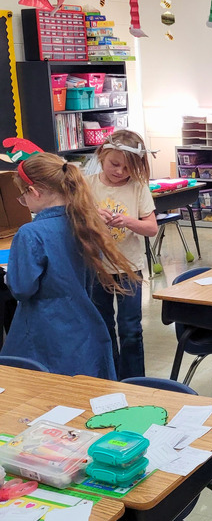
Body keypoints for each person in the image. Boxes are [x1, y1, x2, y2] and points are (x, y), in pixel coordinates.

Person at [1, 151, 138, 378]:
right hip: (85, 326)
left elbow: (22, 289)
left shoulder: (30, 233)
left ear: (34, 192)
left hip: (45, 331)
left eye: (23, 196)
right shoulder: (87, 225)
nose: (24, 202)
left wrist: (9, 276)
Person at [86, 130, 157, 379]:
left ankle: (134, 381)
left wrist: (128, 221)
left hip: (130, 269)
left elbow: (151, 228)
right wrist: (92, 216)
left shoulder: (137, 188)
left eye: (127, 169)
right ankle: (110, 378)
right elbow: (74, 223)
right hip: (96, 268)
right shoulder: (88, 185)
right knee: (103, 328)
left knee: (130, 330)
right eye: (114, 164)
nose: (119, 172)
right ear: (101, 154)